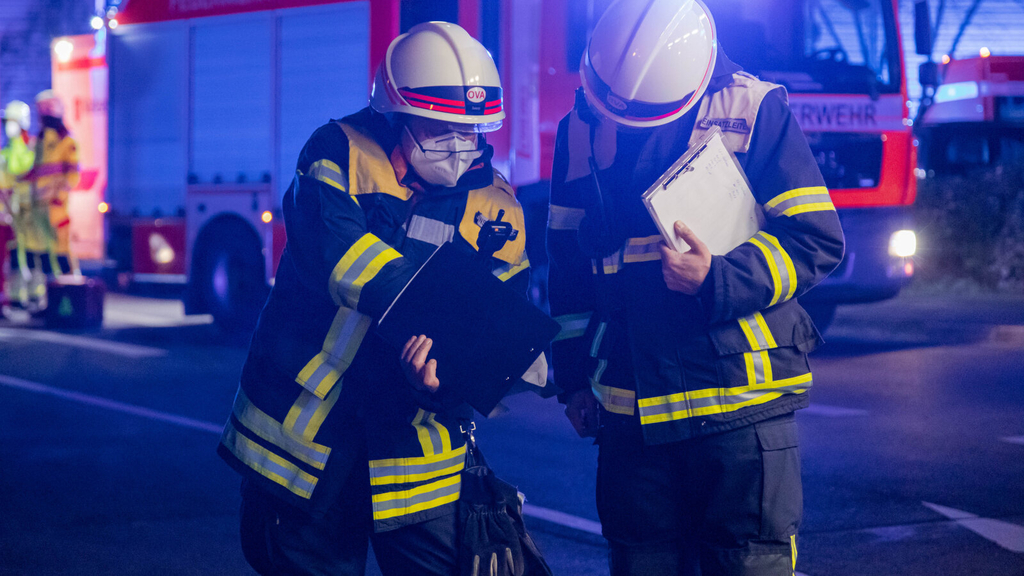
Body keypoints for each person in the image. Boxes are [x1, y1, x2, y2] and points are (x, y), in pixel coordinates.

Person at [217, 22, 538, 575]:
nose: (460, 147)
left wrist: (445, 380)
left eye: (473, 132)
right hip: (306, 443)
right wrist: (450, 326)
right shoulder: (337, 152)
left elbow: (492, 337)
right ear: (398, 114)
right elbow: (343, 259)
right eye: (441, 128)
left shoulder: (499, 206)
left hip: (414, 461)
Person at [546, 0, 845, 574]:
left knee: (747, 566)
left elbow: (815, 240)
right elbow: (567, 267)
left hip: (739, 409)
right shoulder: (579, 129)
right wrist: (574, 378)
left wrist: (718, 280)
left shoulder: (754, 109)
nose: (625, 119)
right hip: (630, 415)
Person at [29, 90, 81, 279]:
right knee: (43, 253)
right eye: (41, 109)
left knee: (61, 249)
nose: (44, 113)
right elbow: (34, 172)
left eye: (48, 108)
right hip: (38, 206)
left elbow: (73, 175)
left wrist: (58, 196)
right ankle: (50, 293)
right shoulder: (39, 142)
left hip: (56, 207)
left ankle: (71, 289)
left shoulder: (67, 141)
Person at [0, 100, 40, 310]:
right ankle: (16, 296)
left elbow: (20, 168)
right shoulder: (6, 151)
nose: (7, 126)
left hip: (31, 212)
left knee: (33, 255)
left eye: (10, 121)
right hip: (12, 213)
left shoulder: (30, 148)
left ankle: (34, 295)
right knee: (15, 256)